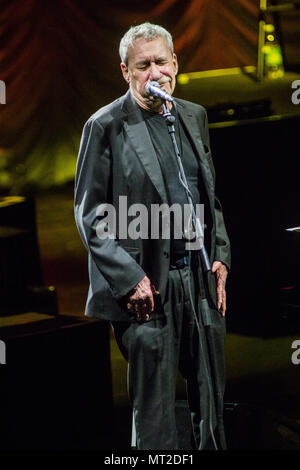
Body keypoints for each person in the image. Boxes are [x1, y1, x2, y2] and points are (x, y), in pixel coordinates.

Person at [74, 22, 231, 450]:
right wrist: (129, 279)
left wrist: (220, 256)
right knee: (156, 418)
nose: (154, 73)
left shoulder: (193, 116)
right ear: (125, 71)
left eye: (161, 62)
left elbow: (208, 197)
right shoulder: (105, 125)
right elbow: (91, 216)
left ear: (175, 63)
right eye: (143, 66)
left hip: (197, 282)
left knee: (212, 408)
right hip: (147, 291)